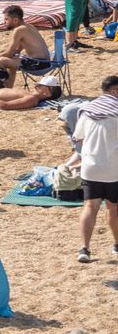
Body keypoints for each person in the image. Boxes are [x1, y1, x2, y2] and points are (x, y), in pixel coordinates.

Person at [70, 73, 118, 264]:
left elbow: (78, 137)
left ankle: (84, 249)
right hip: (114, 168)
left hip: (90, 166)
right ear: (115, 91)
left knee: (90, 207)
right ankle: (116, 245)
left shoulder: (88, 109)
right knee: (114, 208)